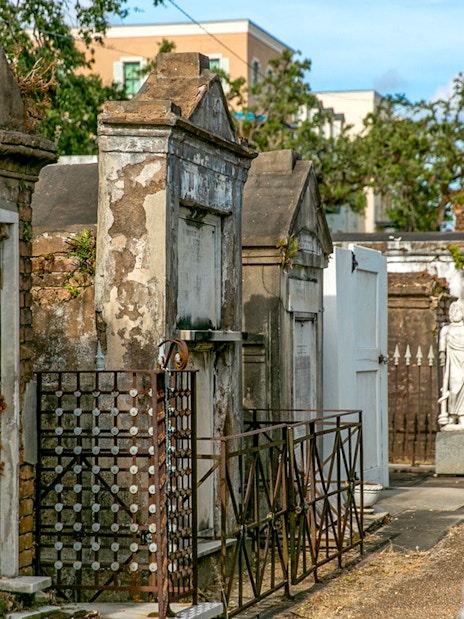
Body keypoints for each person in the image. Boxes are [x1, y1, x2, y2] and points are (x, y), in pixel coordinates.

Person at [438, 300, 464, 428]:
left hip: (463, 360)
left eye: (457, 310)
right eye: (452, 311)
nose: (454, 313)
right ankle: (452, 415)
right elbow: (442, 347)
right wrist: (442, 354)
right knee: (454, 389)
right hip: (453, 362)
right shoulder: (446, 329)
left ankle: (462, 417)